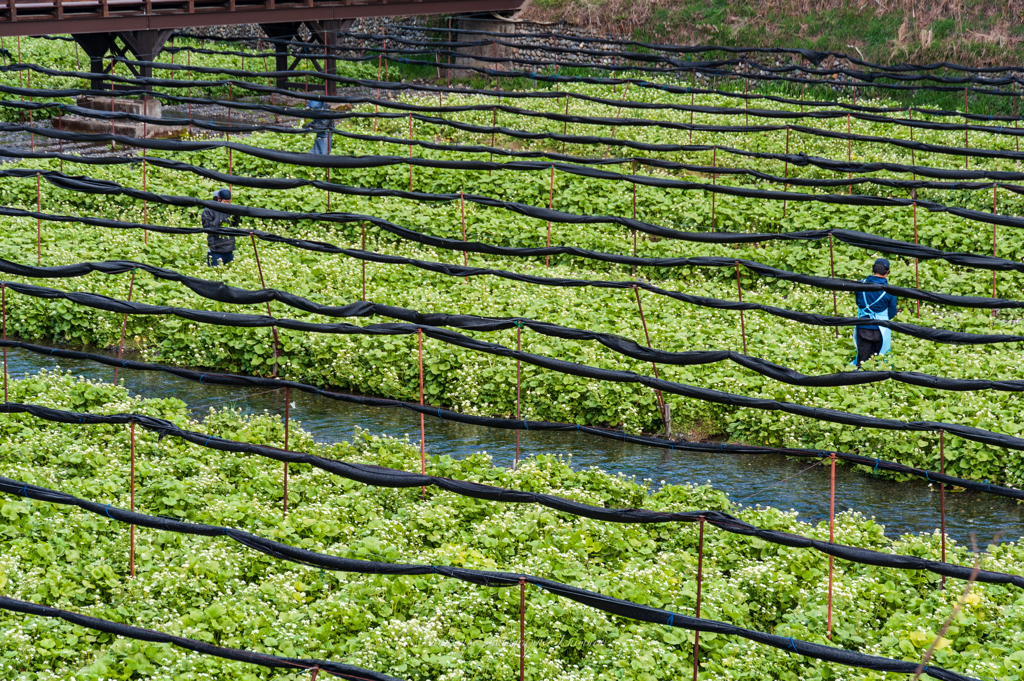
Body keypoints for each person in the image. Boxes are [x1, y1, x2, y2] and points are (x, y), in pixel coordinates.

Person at [852, 258, 898, 366]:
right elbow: (891, 314)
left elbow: (858, 302)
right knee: (881, 362)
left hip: (862, 327)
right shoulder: (890, 291)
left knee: (862, 361)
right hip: (880, 330)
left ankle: (860, 380)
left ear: (873, 269)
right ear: (887, 272)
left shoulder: (860, 285)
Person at [202, 188, 238, 266]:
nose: (226, 204)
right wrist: (219, 221)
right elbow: (207, 227)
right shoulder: (209, 210)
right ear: (219, 199)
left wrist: (237, 214)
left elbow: (235, 224)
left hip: (229, 247)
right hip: (215, 248)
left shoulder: (230, 209)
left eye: (228, 202)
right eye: (225, 202)